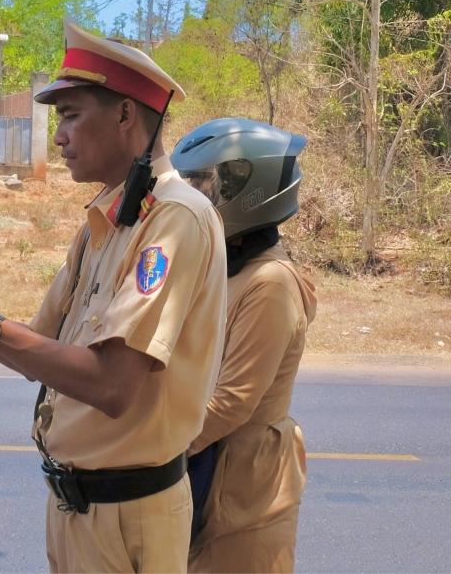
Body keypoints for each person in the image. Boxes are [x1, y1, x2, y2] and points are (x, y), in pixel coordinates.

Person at [0, 20, 227, 573]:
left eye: (70, 116)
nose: (57, 136)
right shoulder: (108, 216)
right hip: (76, 506)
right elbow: (41, 346)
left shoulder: (175, 218)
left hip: (128, 515)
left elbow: (112, 386)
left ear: (126, 115)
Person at [171, 118, 316, 573]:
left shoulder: (269, 283)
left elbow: (233, 401)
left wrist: (152, 449)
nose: (196, 198)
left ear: (246, 192)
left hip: (246, 488)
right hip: (212, 472)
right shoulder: (229, 267)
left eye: (205, 186)